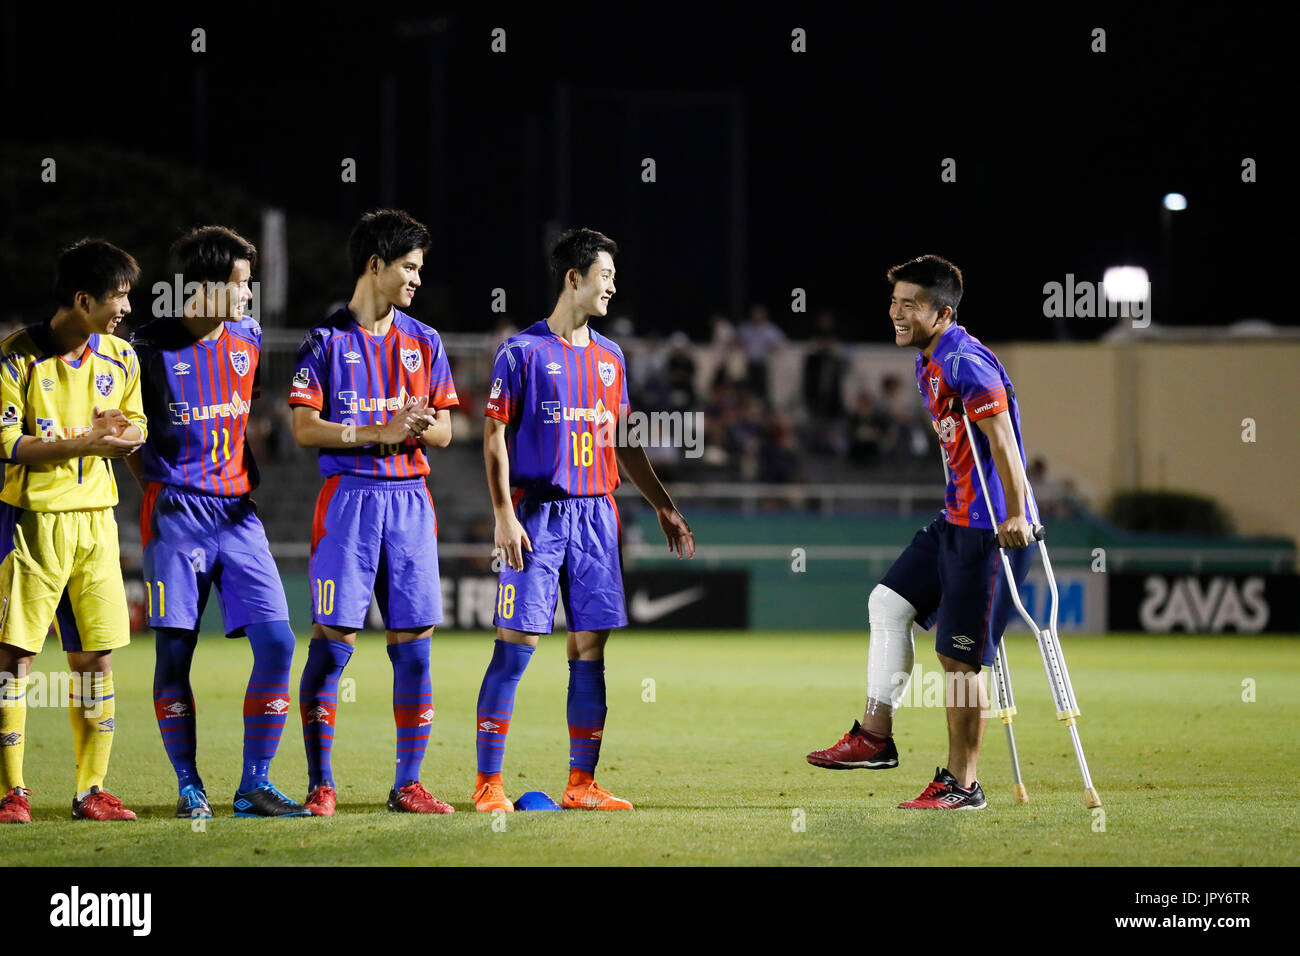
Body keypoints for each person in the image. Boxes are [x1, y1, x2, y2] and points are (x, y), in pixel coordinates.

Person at [472, 227, 695, 813]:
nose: (613, 287)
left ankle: (581, 784)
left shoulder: (611, 357)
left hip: (598, 515)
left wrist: (662, 504)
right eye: (605, 276)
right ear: (574, 278)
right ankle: (488, 785)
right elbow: (492, 436)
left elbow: (624, 439)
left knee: (589, 650)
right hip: (538, 516)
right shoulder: (521, 353)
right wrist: (502, 516)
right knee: (515, 647)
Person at [806, 254, 1032, 809]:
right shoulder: (927, 360)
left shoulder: (966, 362)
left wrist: (1016, 514)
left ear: (943, 312)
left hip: (989, 532)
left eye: (910, 304)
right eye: (894, 302)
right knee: (887, 603)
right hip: (953, 521)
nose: (896, 313)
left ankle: (964, 785)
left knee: (959, 662)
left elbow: (1002, 443)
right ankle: (874, 738)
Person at [128, 225, 307, 819]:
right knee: (176, 653)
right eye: (239, 285)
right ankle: (189, 786)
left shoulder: (248, 338)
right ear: (201, 287)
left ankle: (254, 784)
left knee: (278, 643)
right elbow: (126, 430)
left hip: (237, 514)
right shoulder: (145, 347)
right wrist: (157, 485)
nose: (247, 296)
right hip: (176, 514)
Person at [289, 209, 458, 816]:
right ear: (374, 265)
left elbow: (444, 430)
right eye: (408, 268)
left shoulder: (425, 341)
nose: (415, 279)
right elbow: (305, 429)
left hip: (410, 504)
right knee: (335, 643)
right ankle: (321, 783)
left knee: (414, 643)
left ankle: (407, 784)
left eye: (419, 269)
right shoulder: (325, 340)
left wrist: (416, 427)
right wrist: (376, 430)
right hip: (350, 503)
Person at [0, 239, 147, 823]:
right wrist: (86, 439)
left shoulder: (121, 357)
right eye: (118, 298)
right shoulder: (17, 356)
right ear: (82, 299)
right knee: (14, 661)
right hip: (31, 524)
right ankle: (12, 793)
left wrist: (120, 433)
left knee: (94, 661)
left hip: (97, 526)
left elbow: (135, 429)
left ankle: (92, 791)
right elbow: (7, 443)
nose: (126, 310)